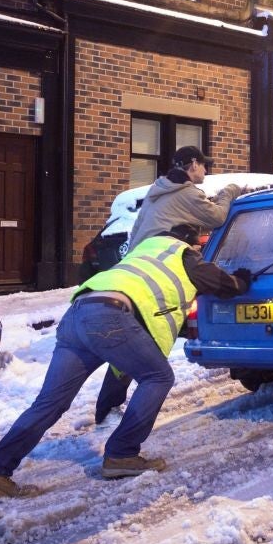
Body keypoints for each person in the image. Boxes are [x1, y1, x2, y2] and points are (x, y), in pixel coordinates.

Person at [0, 229, 253, 500]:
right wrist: (239, 280)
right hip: (109, 318)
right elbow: (221, 284)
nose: (200, 251)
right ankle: (122, 454)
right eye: (199, 246)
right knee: (158, 377)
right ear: (190, 243)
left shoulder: (142, 252)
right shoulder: (183, 254)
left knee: (49, 402)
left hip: (76, 316)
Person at [94, 146, 242, 423]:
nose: (206, 171)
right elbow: (218, 217)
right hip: (160, 273)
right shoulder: (186, 194)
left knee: (130, 341)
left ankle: (108, 407)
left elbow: (135, 232)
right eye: (204, 165)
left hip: (138, 270)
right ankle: (124, 420)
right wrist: (230, 192)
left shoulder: (155, 192)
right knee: (149, 352)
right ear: (193, 164)